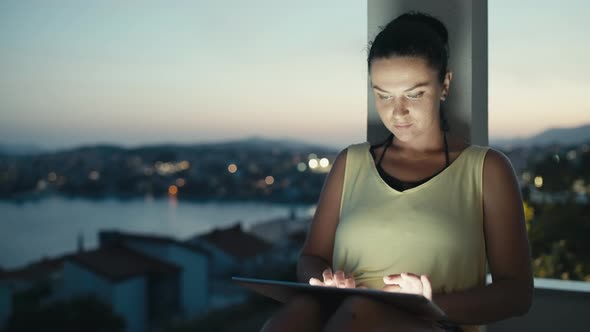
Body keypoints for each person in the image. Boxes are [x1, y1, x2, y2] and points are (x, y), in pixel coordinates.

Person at [261, 11, 532, 332]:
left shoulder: (487, 170)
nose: (397, 111)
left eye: (414, 94)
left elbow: (516, 293)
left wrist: (432, 304)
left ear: (444, 84)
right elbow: (311, 258)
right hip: (342, 314)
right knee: (297, 313)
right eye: (383, 95)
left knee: (359, 311)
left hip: (434, 324)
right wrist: (323, 281)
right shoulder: (351, 163)